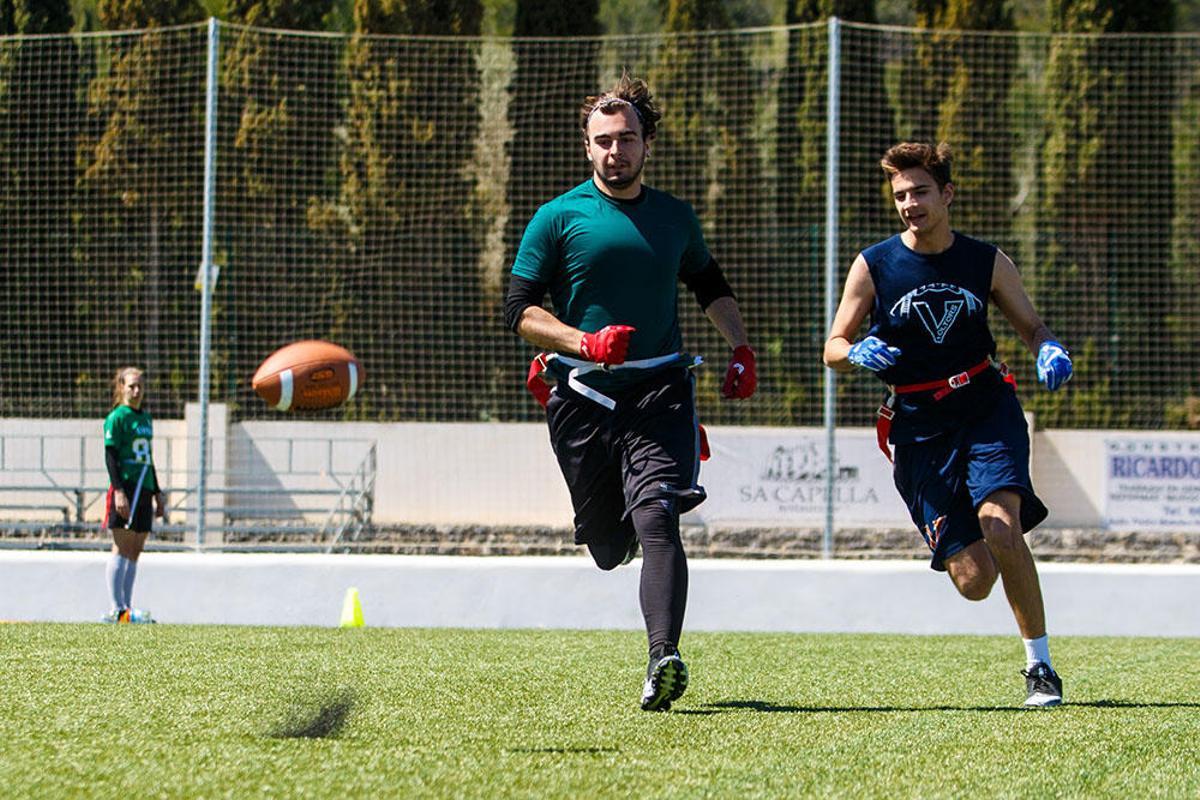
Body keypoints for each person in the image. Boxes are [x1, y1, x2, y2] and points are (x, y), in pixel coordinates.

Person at [504, 73, 756, 712]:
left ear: (648, 144)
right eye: (604, 141)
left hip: (660, 390)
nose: (617, 151)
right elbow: (518, 311)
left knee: (658, 516)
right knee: (608, 546)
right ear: (587, 148)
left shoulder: (675, 218)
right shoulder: (557, 217)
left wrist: (740, 346)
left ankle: (662, 657)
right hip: (582, 397)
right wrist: (582, 343)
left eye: (628, 139)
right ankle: (611, 530)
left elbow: (709, 285)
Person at [823, 142, 1073, 708]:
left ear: (947, 195)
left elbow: (1032, 326)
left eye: (920, 192)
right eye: (900, 196)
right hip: (916, 428)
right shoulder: (874, 264)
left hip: (986, 406)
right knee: (974, 580)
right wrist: (856, 353)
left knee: (1002, 525)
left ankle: (1041, 667)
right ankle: (961, 538)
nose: (910, 204)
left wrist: (1048, 348)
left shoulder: (986, 260)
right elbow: (832, 347)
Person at [101, 366, 166, 624]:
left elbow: (148, 458)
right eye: (131, 386)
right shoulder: (117, 417)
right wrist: (118, 491)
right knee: (122, 546)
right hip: (126, 487)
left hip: (144, 486)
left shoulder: (146, 419)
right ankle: (117, 609)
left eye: (140, 386)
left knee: (136, 549)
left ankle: (127, 609)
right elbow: (111, 456)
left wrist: (157, 491)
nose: (136, 391)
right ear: (122, 388)